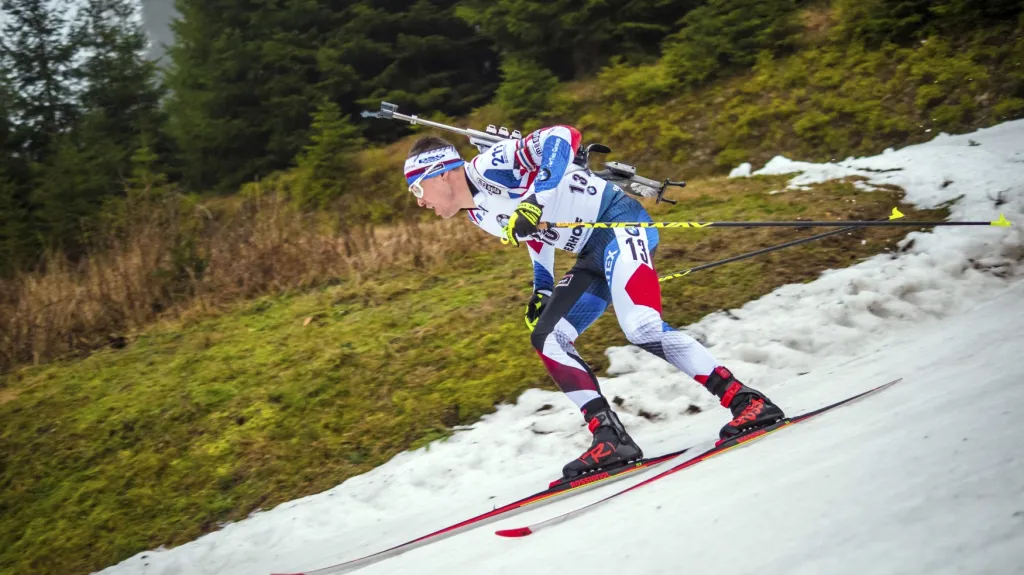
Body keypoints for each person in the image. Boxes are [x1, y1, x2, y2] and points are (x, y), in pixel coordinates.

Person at [402, 125, 785, 480]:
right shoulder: (478, 214)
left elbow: (563, 136)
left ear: (441, 173)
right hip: (591, 252)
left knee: (641, 327)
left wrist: (537, 197)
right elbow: (536, 234)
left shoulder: (491, 165)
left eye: (417, 190)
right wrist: (542, 286)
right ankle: (609, 437)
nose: (419, 203)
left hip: (619, 224)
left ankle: (745, 401)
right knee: (547, 337)